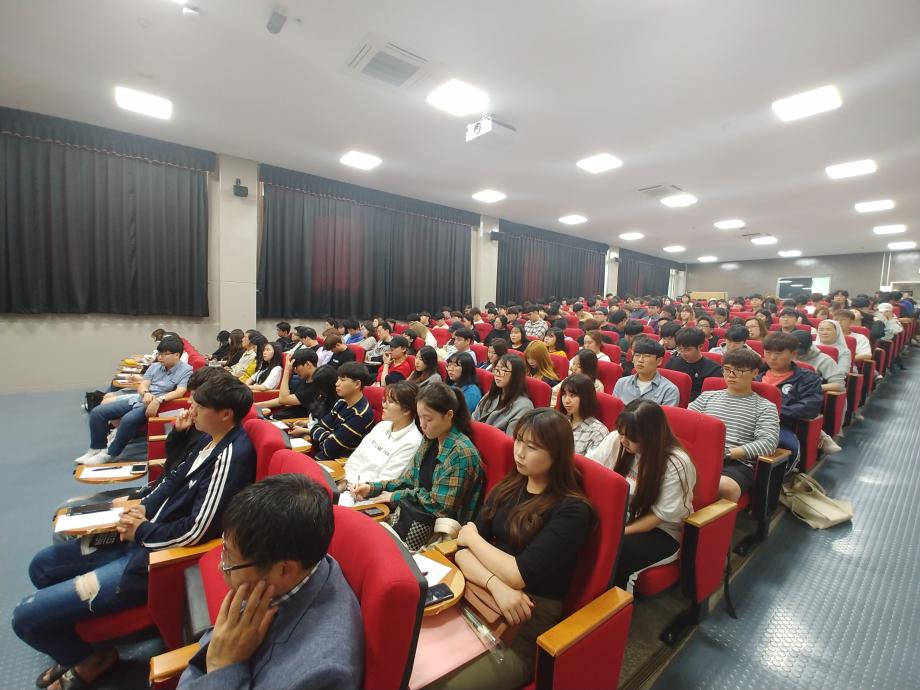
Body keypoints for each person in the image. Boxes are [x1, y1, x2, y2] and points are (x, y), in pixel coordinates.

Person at [17, 377, 257, 690]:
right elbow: (171, 481)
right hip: (137, 535)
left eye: (199, 405)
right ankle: (77, 647)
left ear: (225, 414)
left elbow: (196, 530)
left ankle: (90, 659)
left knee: (25, 617)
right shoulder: (208, 438)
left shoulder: (231, 456)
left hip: (148, 558)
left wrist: (141, 530)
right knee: (42, 566)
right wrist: (140, 509)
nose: (190, 408)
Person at [427, 409, 593, 690]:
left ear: (557, 454)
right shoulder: (510, 485)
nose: (520, 452)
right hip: (482, 595)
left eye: (532, 447)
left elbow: (518, 574)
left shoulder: (573, 510)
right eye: (518, 441)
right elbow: (463, 550)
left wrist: (475, 542)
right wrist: (495, 583)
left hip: (525, 620)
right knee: (413, 661)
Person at [177, 474, 363, 690]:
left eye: (229, 560)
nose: (221, 567)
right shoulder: (298, 558)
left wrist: (222, 667)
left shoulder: (320, 674)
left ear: (284, 570)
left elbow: (212, 661)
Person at [586, 400, 695, 592]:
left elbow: (658, 517)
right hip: (623, 516)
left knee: (618, 552)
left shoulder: (676, 464)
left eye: (631, 438)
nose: (623, 441)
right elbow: (591, 468)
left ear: (650, 437)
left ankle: (615, 606)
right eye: (621, 433)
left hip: (660, 530)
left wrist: (620, 531)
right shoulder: (617, 440)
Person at [354, 381, 484, 537]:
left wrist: (396, 496)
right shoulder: (431, 438)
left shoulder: (461, 453)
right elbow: (410, 478)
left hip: (439, 532)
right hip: (412, 516)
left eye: (428, 419)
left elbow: (439, 506)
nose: (422, 424)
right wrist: (373, 487)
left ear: (449, 415)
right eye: (420, 417)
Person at [76, 337, 193, 465]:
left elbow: (180, 391)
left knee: (128, 419)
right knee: (97, 412)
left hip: (159, 405)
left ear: (177, 355)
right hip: (140, 399)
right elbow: (143, 384)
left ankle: (110, 454)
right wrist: (145, 393)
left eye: (165, 354)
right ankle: (96, 448)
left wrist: (158, 400)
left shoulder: (186, 370)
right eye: (159, 353)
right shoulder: (155, 366)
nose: (160, 357)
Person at [689, 351, 780, 500]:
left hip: (735, 462)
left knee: (725, 487)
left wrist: (728, 453)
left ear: (755, 372)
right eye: (727, 369)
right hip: (698, 454)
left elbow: (768, 443)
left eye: (739, 370)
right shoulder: (707, 397)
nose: (731, 375)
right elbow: (685, 424)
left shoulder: (765, 407)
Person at [758, 333, 824, 469]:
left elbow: (809, 408)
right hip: (746, 422)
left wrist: (768, 412)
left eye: (778, 353)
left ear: (793, 353)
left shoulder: (808, 378)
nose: (772, 357)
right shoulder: (754, 373)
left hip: (781, 426)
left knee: (782, 446)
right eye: (768, 352)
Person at [343, 380, 424, 487]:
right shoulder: (382, 426)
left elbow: (384, 482)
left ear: (406, 410)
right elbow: (354, 459)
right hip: (349, 483)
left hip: (369, 493)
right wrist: (348, 482)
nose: (384, 405)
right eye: (384, 400)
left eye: (390, 402)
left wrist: (352, 486)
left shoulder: (412, 442)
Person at [305, 363, 375, 460]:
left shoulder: (360, 415)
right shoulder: (341, 402)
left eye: (342, 380)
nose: (336, 383)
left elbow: (330, 449)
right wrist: (329, 437)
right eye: (338, 379)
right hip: (320, 456)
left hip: (335, 463)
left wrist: (326, 438)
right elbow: (316, 428)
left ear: (357, 384)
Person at [473, 355, 535, 436]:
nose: (498, 374)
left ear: (516, 375)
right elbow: (474, 417)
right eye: (497, 369)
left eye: (504, 370)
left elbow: (509, 440)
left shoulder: (523, 406)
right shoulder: (492, 394)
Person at [614, 338, 680, 406]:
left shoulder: (669, 390)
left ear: (659, 361)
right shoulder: (622, 383)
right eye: (637, 355)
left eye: (646, 356)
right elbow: (615, 409)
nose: (640, 360)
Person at [664, 327, 723, 401]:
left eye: (687, 349)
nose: (683, 353)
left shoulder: (713, 370)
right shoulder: (673, 361)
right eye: (680, 349)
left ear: (700, 347)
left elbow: (710, 397)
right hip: (670, 398)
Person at [260, 348, 318, 419]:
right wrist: (257, 405)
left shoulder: (316, 385)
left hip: (291, 421)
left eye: (296, 366)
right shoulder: (305, 380)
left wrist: (287, 371)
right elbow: (282, 400)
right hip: (279, 416)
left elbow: (283, 399)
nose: (295, 371)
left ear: (308, 364)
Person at [558, 374, 609, 454]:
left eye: (572, 395)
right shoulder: (559, 421)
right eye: (564, 395)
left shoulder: (597, 432)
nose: (566, 401)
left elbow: (591, 462)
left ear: (586, 398)